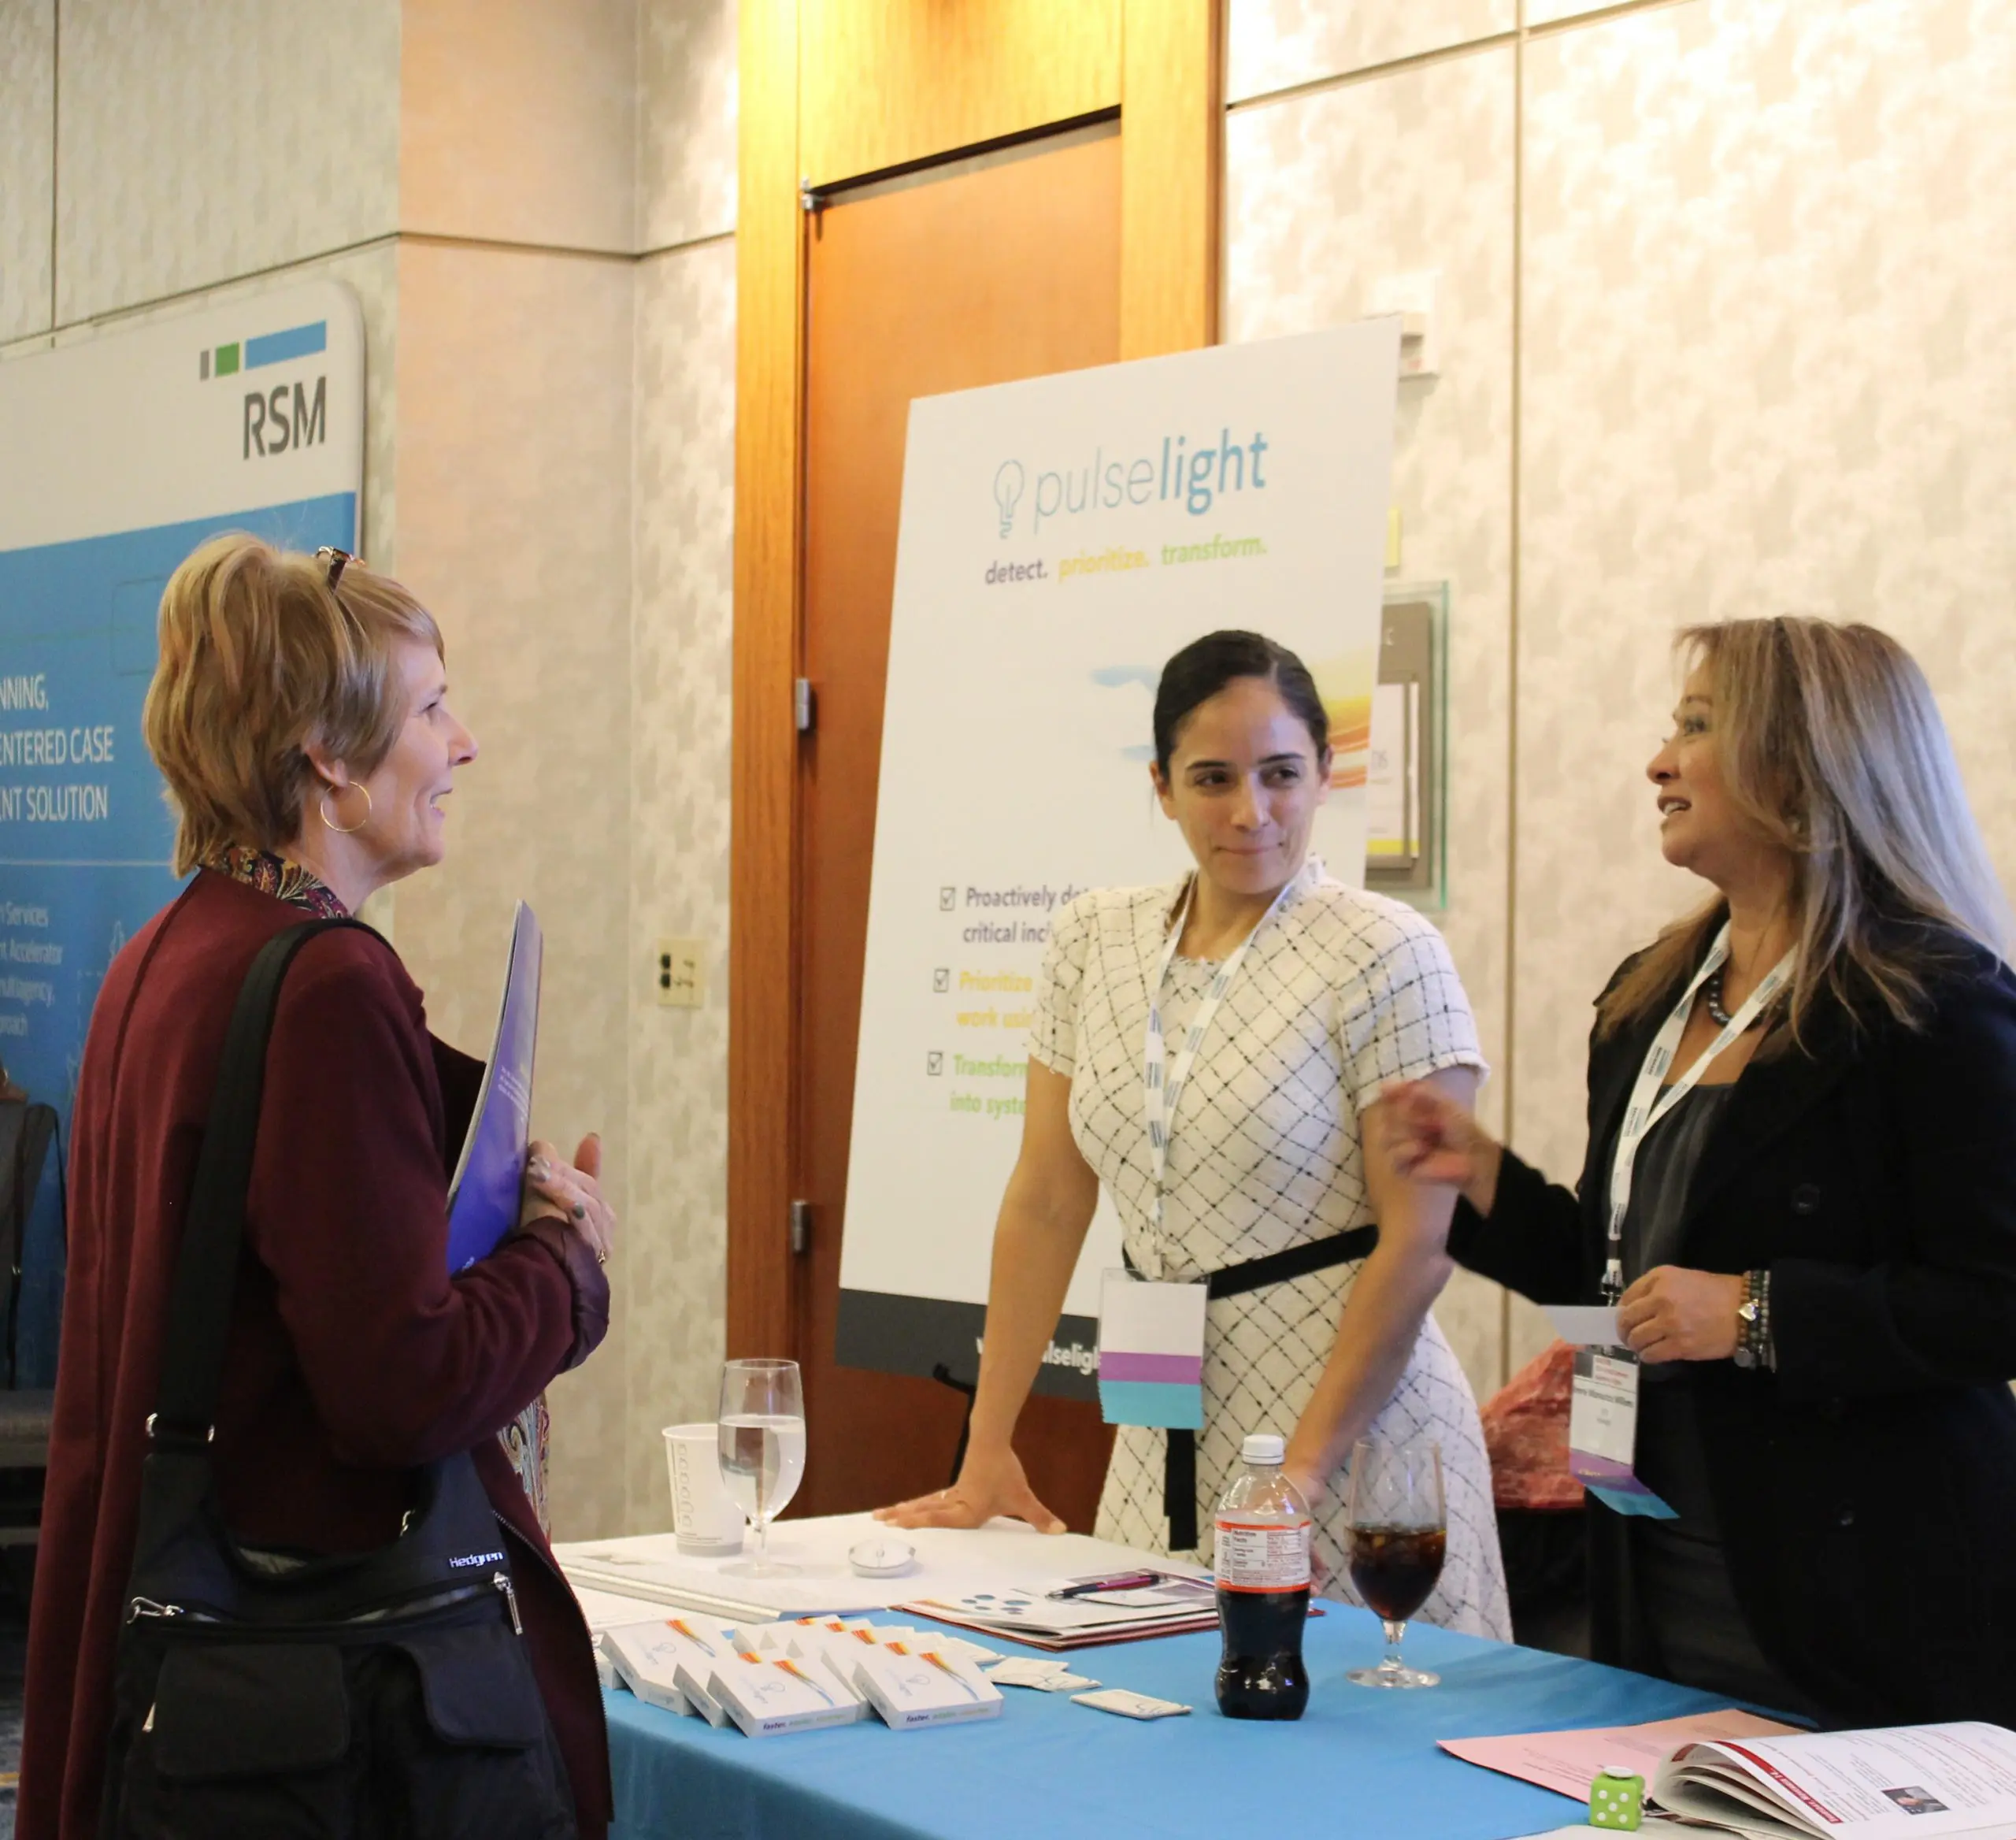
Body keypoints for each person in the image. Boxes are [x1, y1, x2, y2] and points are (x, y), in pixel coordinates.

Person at [20, 537, 617, 1838]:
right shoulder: (328, 983)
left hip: (178, 1655)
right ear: (330, 758)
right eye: (432, 708)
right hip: (311, 1708)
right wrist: (564, 1274)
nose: (465, 743)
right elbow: (396, 1387)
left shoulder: (166, 952)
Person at [1386, 615, 2016, 1726]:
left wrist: (1761, 1313)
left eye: (1696, 726)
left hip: (1866, 1584)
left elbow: (1996, 1302)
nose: (1658, 761)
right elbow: (1615, 1281)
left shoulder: (1936, 1006)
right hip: (1652, 1554)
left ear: (1805, 757)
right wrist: (1476, 1175)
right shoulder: (1648, 999)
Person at [881, 630, 1511, 1640]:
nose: (1249, 811)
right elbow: (1047, 1195)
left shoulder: (1387, 953)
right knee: (1153, 1719)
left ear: (1326, 776)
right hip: (1160, 1408)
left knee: (1352, 1752)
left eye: (1280, 775)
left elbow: (1419, 1244)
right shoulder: (1094, 937)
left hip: (1348, 1429)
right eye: (1212, 778)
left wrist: (1299, 1480)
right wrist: (985, 1444)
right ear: (1163, 787)